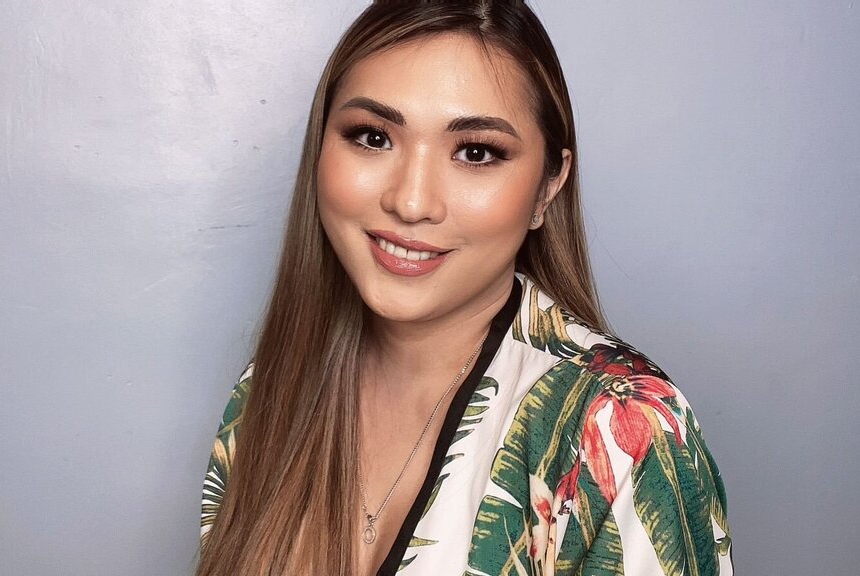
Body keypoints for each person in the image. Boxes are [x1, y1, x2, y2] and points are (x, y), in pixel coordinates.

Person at [197, 1, 733, 575]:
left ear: (548, 186)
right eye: (373, 137)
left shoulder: (623, 429)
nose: (411, 202)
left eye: (476, 152)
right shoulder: (267, 392)